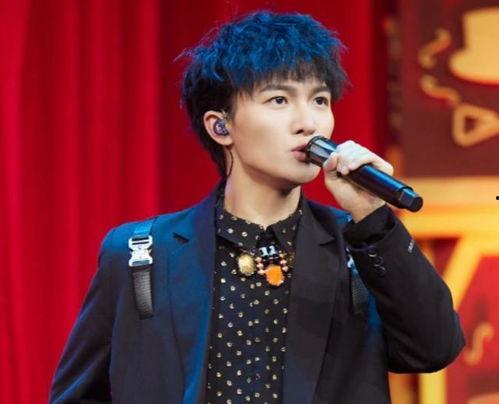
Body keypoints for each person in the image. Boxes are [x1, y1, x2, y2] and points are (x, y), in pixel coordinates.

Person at [50, 11, 464, 404]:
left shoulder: (358, 245)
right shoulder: (141, 254)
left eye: (320, 100)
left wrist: (372, 218)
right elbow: (78, 394)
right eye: (279, 99)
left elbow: (434, 348)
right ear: (220, 126)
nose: (308, 122)